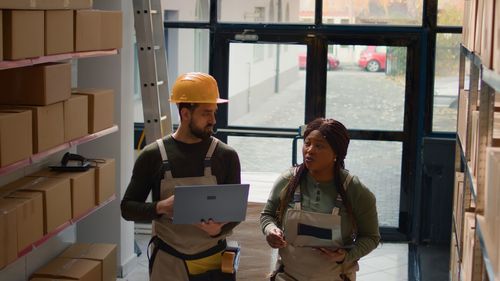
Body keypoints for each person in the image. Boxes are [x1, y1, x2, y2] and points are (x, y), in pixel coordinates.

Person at [121, 72, 241, 281]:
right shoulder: (153, 155)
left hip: (212, 260)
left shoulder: (226, 156)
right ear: (185, 114)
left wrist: (218, 230)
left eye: (214, 112)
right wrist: (160, 207)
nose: (213, 120)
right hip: (169, 260)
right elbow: (128, 208)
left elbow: (235, 213)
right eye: (206, 113)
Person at [260, 118, 380, 281]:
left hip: (335, 276)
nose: (309, 150)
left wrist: (346, 255)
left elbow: (371, 237)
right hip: (288, 275)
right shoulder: (288, 180)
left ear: (336, 153)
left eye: (319, 146)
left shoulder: (355, 190)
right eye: (307, 143)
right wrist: (270, 230)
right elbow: (267, 215)